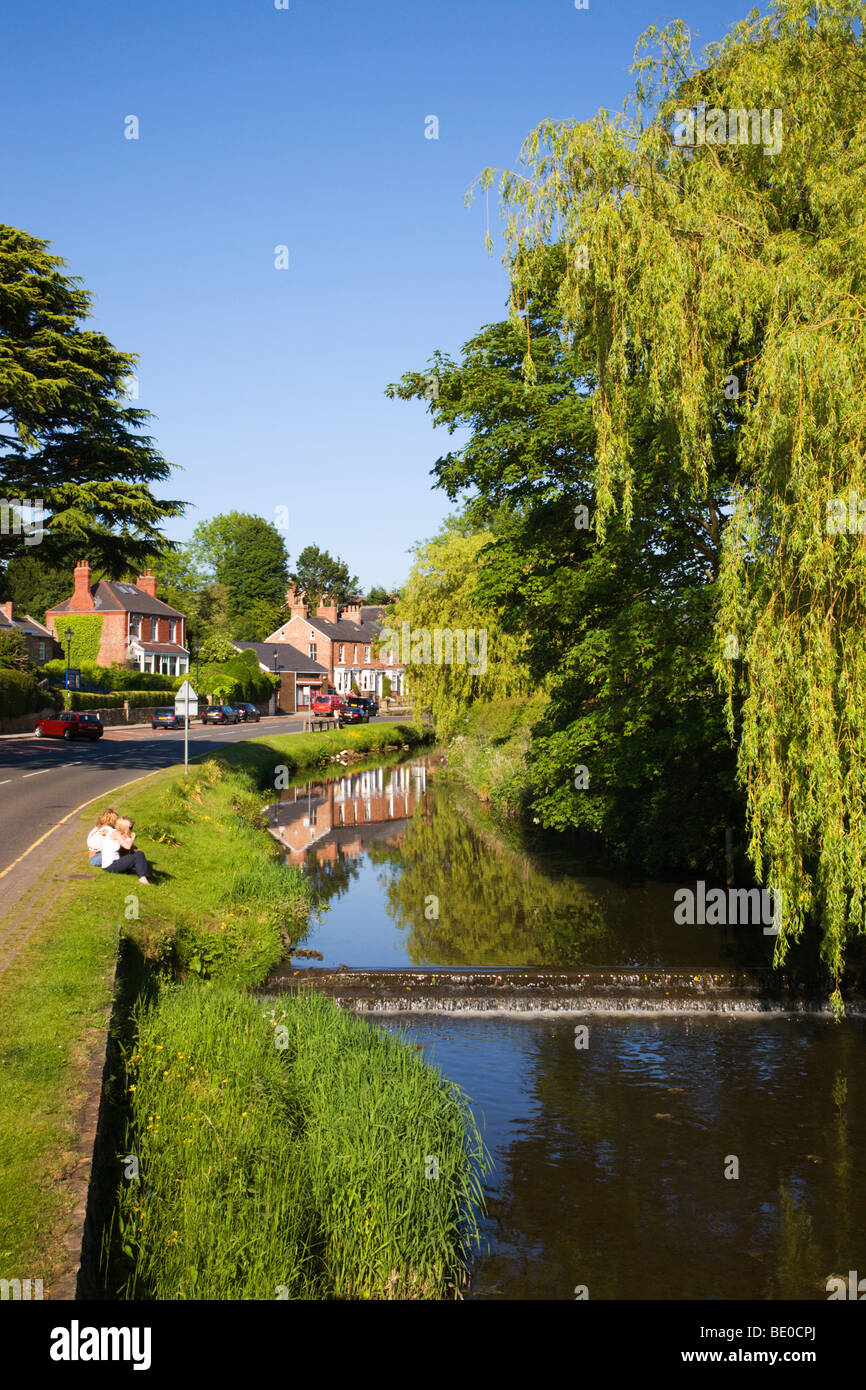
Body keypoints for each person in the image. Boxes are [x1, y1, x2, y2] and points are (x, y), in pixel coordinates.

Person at [101, 815, 151, 884]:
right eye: (130, 828)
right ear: (125, 827)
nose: (131, 829)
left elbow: (130, 846)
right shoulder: (115, 833)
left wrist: (131, 843)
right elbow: (127, 846)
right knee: (139, 854)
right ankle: (143, 878)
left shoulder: (118, 833)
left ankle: (145, 876)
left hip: (114, 862)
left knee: (138, 855)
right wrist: (133, 837)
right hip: (110, 865)